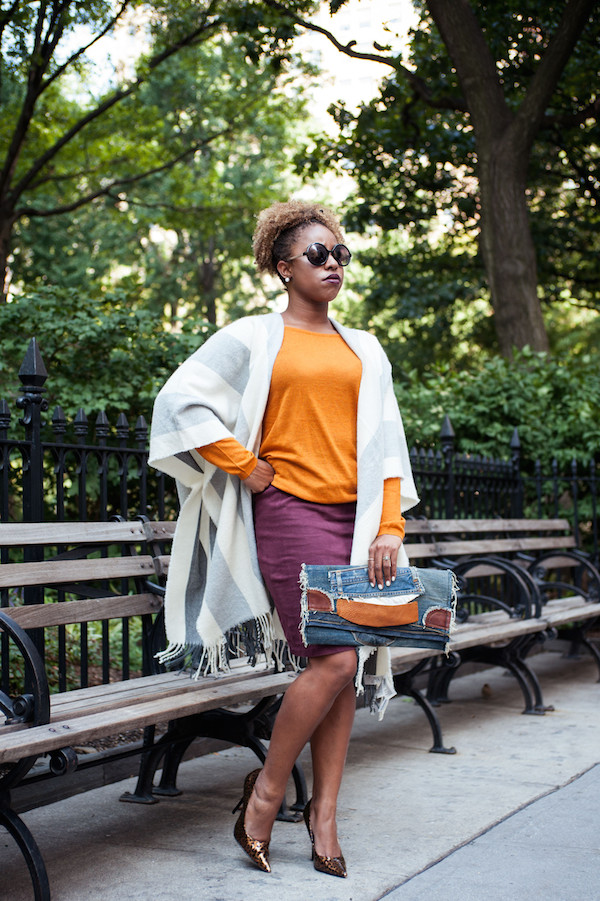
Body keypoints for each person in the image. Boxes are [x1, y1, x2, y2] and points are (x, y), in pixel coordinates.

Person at [149, 200, 418, 878]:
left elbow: (386, 445)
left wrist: (390, 524)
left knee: (344, 664)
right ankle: (266, 793)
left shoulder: (366, 348)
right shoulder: (254, 337)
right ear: (281, 267)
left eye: (340, 255)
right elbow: (179, 400)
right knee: (330, 658)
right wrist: (246, 465)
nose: (334, 265)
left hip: (354, 521)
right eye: (318, 255)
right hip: (289, 512)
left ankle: (324, 813)